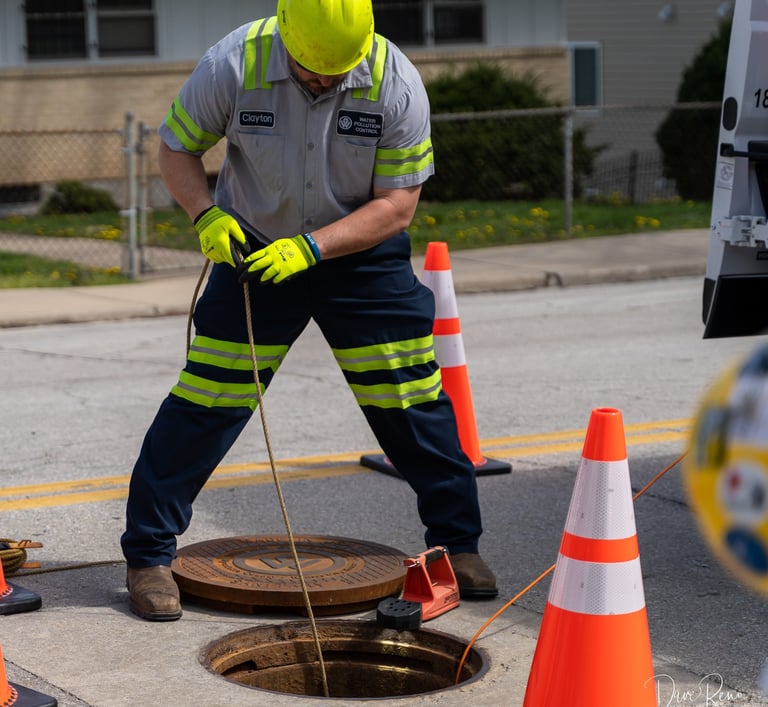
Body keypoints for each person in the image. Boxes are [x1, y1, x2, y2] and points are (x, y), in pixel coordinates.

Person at [121, 0, 497, 621]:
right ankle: (149, 557)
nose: (324, 81)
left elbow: (398, 205)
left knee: (410, 400)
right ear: (286, 35)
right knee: (206, 401)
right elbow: (175, 149)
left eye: (336, 71)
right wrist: (205, 214)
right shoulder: (234, 62)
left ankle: (458, 547)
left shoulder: (394, 81)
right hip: (254, 255)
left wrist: (314, 248)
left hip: (361, 257)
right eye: (311, 69)